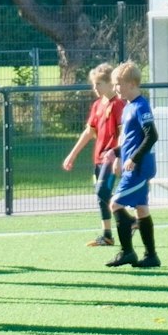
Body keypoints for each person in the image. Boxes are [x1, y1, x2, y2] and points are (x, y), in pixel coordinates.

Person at [105, 62, 161, 269]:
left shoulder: (141, 106)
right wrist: (118, 153)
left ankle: (127, 251)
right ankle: (151, 255)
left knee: (115, 204)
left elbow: (151, 135)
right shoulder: (129, 106)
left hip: (138, 169)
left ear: (130, 84)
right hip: (133, 166)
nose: (115, 88)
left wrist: (133, 159)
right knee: (141, 208)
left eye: (118, 84)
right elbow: (131, 139)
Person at [62, 64, 125, 247]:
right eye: (93, 84)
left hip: (110, 158)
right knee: (100, 196)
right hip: (98, 158)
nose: (95, 88)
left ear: (110, 84)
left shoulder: (118, 104)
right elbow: (89, 132)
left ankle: (127, 221)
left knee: (102, 191)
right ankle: (107, 235)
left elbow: (122, 134)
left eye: (99, 84)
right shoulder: (98, 104)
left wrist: (118, 155)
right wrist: (72, 155)